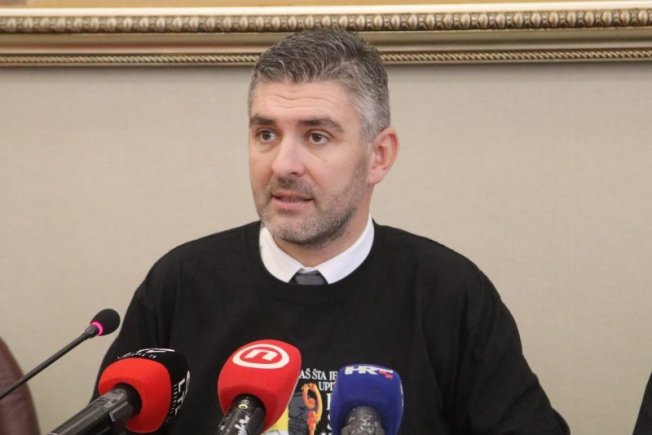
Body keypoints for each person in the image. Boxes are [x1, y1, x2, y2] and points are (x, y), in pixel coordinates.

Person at [96, 29, 569, 434]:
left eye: (317, 136)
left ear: (378, 156)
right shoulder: (182, 282)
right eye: (266, 134)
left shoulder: (449, 292)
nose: (283, 164)